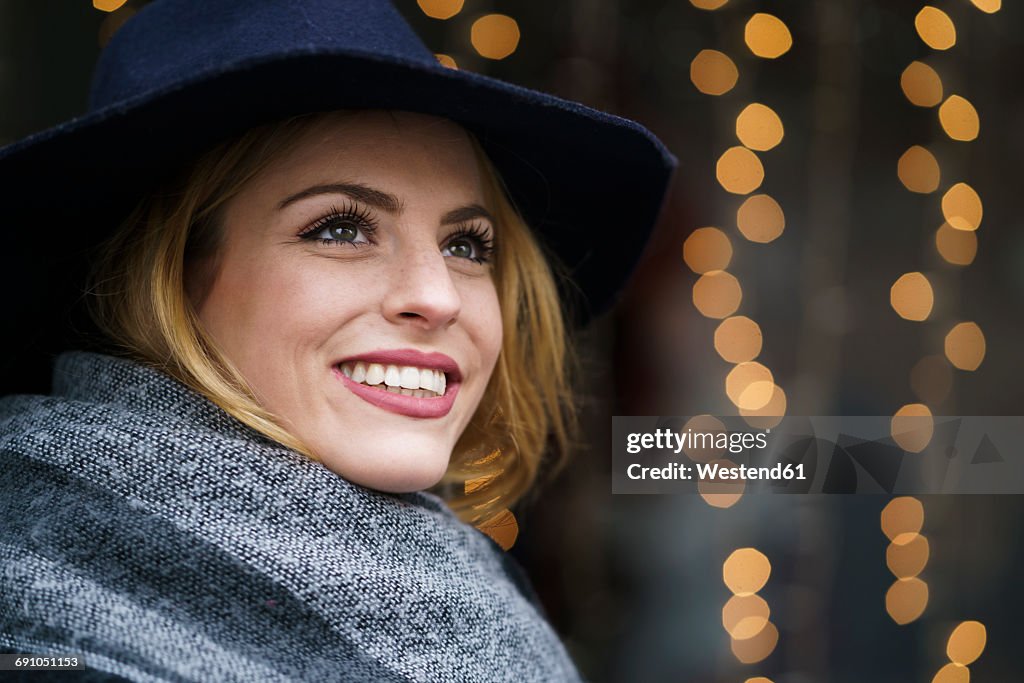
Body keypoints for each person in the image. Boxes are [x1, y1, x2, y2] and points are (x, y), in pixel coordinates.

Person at [0, 0, 674, 680]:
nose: (437, 296)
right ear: (162, 276)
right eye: (341, 229)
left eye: (467, 244)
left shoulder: (479, 612)